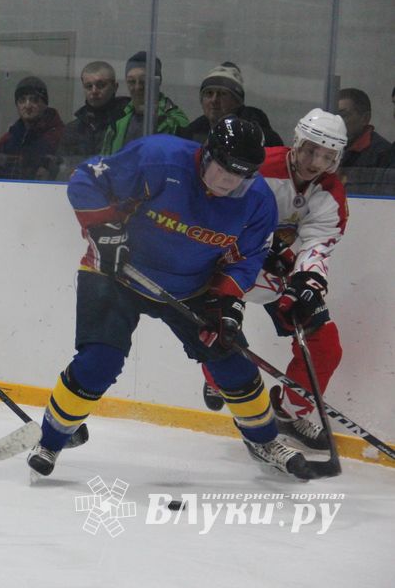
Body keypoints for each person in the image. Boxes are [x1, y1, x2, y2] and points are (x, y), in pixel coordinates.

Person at [27, 116, 321, 482]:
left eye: (241, 176)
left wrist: (226, 302)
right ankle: (51, 440)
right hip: (116, 274)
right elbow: (86, 179)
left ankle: (264, 441)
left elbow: (247, 258)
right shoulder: (159, 157)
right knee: (99, 362)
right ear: (207, 154)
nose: (229, 182)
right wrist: (104, 230)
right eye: (224, 169)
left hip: (193, 288)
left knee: (233, 364)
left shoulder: (258, 201)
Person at [201, 109, 348, 451]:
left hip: (282, 273)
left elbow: (318, 242)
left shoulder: (330, 191)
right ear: (297, 141)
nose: (316, 163)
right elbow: (217, 212)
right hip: (233, 264)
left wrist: (308, 280)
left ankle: (289, 413)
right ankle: (217, 379)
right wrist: (254, 247)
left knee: (325, 344)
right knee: (220, 333)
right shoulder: (258, 167)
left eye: (327, 157)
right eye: (311, 150)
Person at [100, 51, 189, 155]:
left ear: (157, 82)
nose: (137, 87)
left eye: (144, 81)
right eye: (131, 81)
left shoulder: (174, 119)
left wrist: (158, 117)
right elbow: (105, 159)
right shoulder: (119, 119)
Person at [179, 63, 284, 146]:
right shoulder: (193, 131)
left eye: (222, 94)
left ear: (237, 101)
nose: (214, 100)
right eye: (209, 93)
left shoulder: (258, 131)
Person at [57, 61, 130, 163]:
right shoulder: (73, 129)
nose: (94, 91)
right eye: (88, 86)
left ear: (115, 87)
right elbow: (62, 166)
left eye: (101, 85)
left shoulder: (127, 121)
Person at [0, 76, 64, 180]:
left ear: (44, 104)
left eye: (34, 100)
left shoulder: (60, 137)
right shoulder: (7, 140)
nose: (27, 106)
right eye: (22, 100)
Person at [337, 87, 391, 169]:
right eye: (333, 115)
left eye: (343, 115)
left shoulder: (383, 153)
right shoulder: (328, 144)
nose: (336, 121)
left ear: (365, 118)